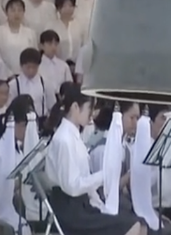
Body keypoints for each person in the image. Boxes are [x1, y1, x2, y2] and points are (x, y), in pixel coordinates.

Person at [42, 90, 147, 235]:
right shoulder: (64, 139)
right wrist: (104, 175)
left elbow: (83, 180)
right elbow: (72, 186)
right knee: (131, 226)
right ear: (75, 107)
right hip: (70, 211)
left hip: (82, 204)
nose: (91, 114)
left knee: (140, 225)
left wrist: (99, 203)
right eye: (89, 108)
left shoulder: (73, 136)